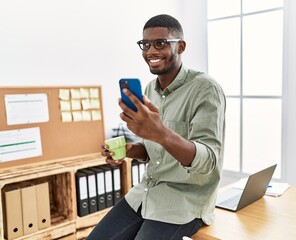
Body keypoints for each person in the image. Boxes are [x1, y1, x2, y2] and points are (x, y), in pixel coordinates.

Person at [87, 14, 226, 240]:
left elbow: (209, 159)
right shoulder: (150, 89)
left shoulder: (205, 89)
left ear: (180, 46)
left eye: (160, 43)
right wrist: (130, 150)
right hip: (146, 193)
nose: (151, 51)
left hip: (184, 203)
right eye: (145, 44)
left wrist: (161, 134)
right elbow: (155, 150)